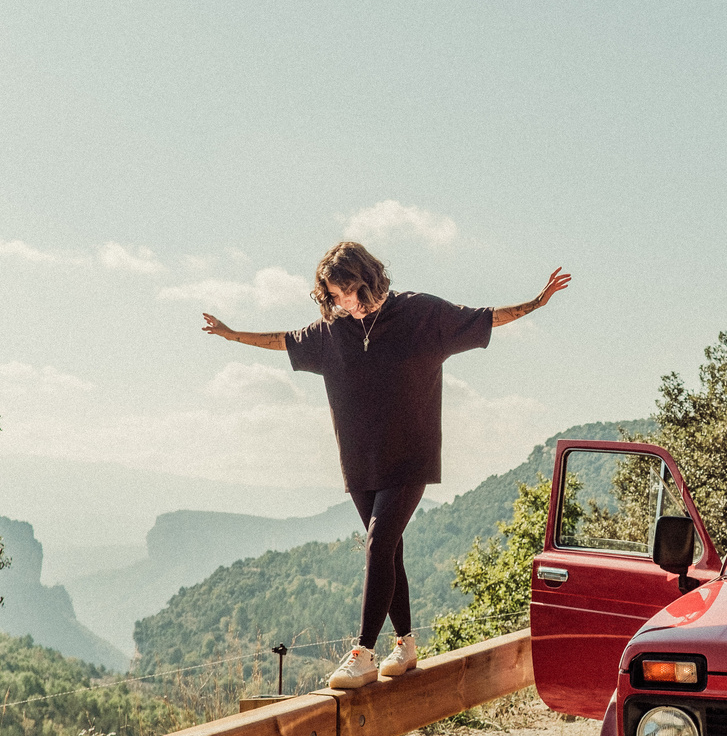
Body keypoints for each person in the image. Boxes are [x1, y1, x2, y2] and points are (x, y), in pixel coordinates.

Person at [201, 241, 570, 688]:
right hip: (359, 463)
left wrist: (535, 302)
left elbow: (485, 317)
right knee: (389, 551)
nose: (343, 303)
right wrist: (232, 334)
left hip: (410, 459)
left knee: (377, 546)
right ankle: (406, 644)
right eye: (334, 296)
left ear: (368, 279)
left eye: (347, 292)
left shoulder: (420, 314)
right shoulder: (332, 333)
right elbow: (282, 340)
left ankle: (362, 653)